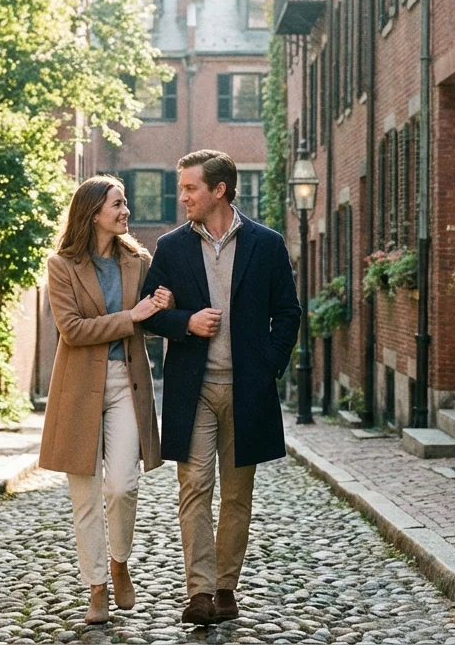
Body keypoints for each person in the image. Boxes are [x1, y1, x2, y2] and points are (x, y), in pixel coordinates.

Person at [140, 150, 301, 626]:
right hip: (194, 390)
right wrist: (186, 321)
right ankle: (200, 592)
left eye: (190, 188)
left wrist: (268, 365)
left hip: (247, 390)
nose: (182, 196)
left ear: (219, 191)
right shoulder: (171, 247)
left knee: (236, 494)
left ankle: (226, 587)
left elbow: (288, 313)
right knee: (194, 487)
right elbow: (151, 313)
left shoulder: (266, 245)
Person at [40, 175, 173, 624]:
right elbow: (72, 329)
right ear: (94, 211)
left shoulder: (138, 259)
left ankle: (119, 562)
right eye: (118, 204)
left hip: (126, 385)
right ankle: (96, 587)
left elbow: (150, 321)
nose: (126, 211)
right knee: (84, 496)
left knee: (121, 485)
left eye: (126, 203)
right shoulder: (61, 266)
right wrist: (129, 317)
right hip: (78, 387)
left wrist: (161, 306)